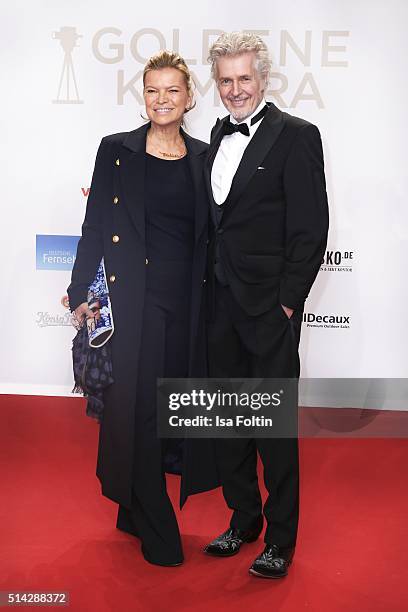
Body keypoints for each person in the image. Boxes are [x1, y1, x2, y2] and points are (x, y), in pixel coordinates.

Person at [67, 50, 219, 567]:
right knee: (139, 407)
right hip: (132, 301)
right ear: (143, 96)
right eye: (152, 90)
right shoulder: (116, 151)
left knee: (169, 408)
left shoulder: (204, 156)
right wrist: (79, 289)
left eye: (172, 90)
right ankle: (154, 515)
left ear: (189, 97)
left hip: (187, 302)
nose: (162, 99)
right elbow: (93, 226)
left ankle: (131, 506)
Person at [203, 32, 329, 578]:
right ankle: (244, 519)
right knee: (230, 420)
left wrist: (288, 302)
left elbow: (310, 226)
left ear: (264, 79)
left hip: (268, 308)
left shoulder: (297, 136)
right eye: (226, 80)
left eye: (244, 79)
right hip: (220, 303)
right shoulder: (214, 133)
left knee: (273, 427)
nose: (235, 90)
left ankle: (280, 538)